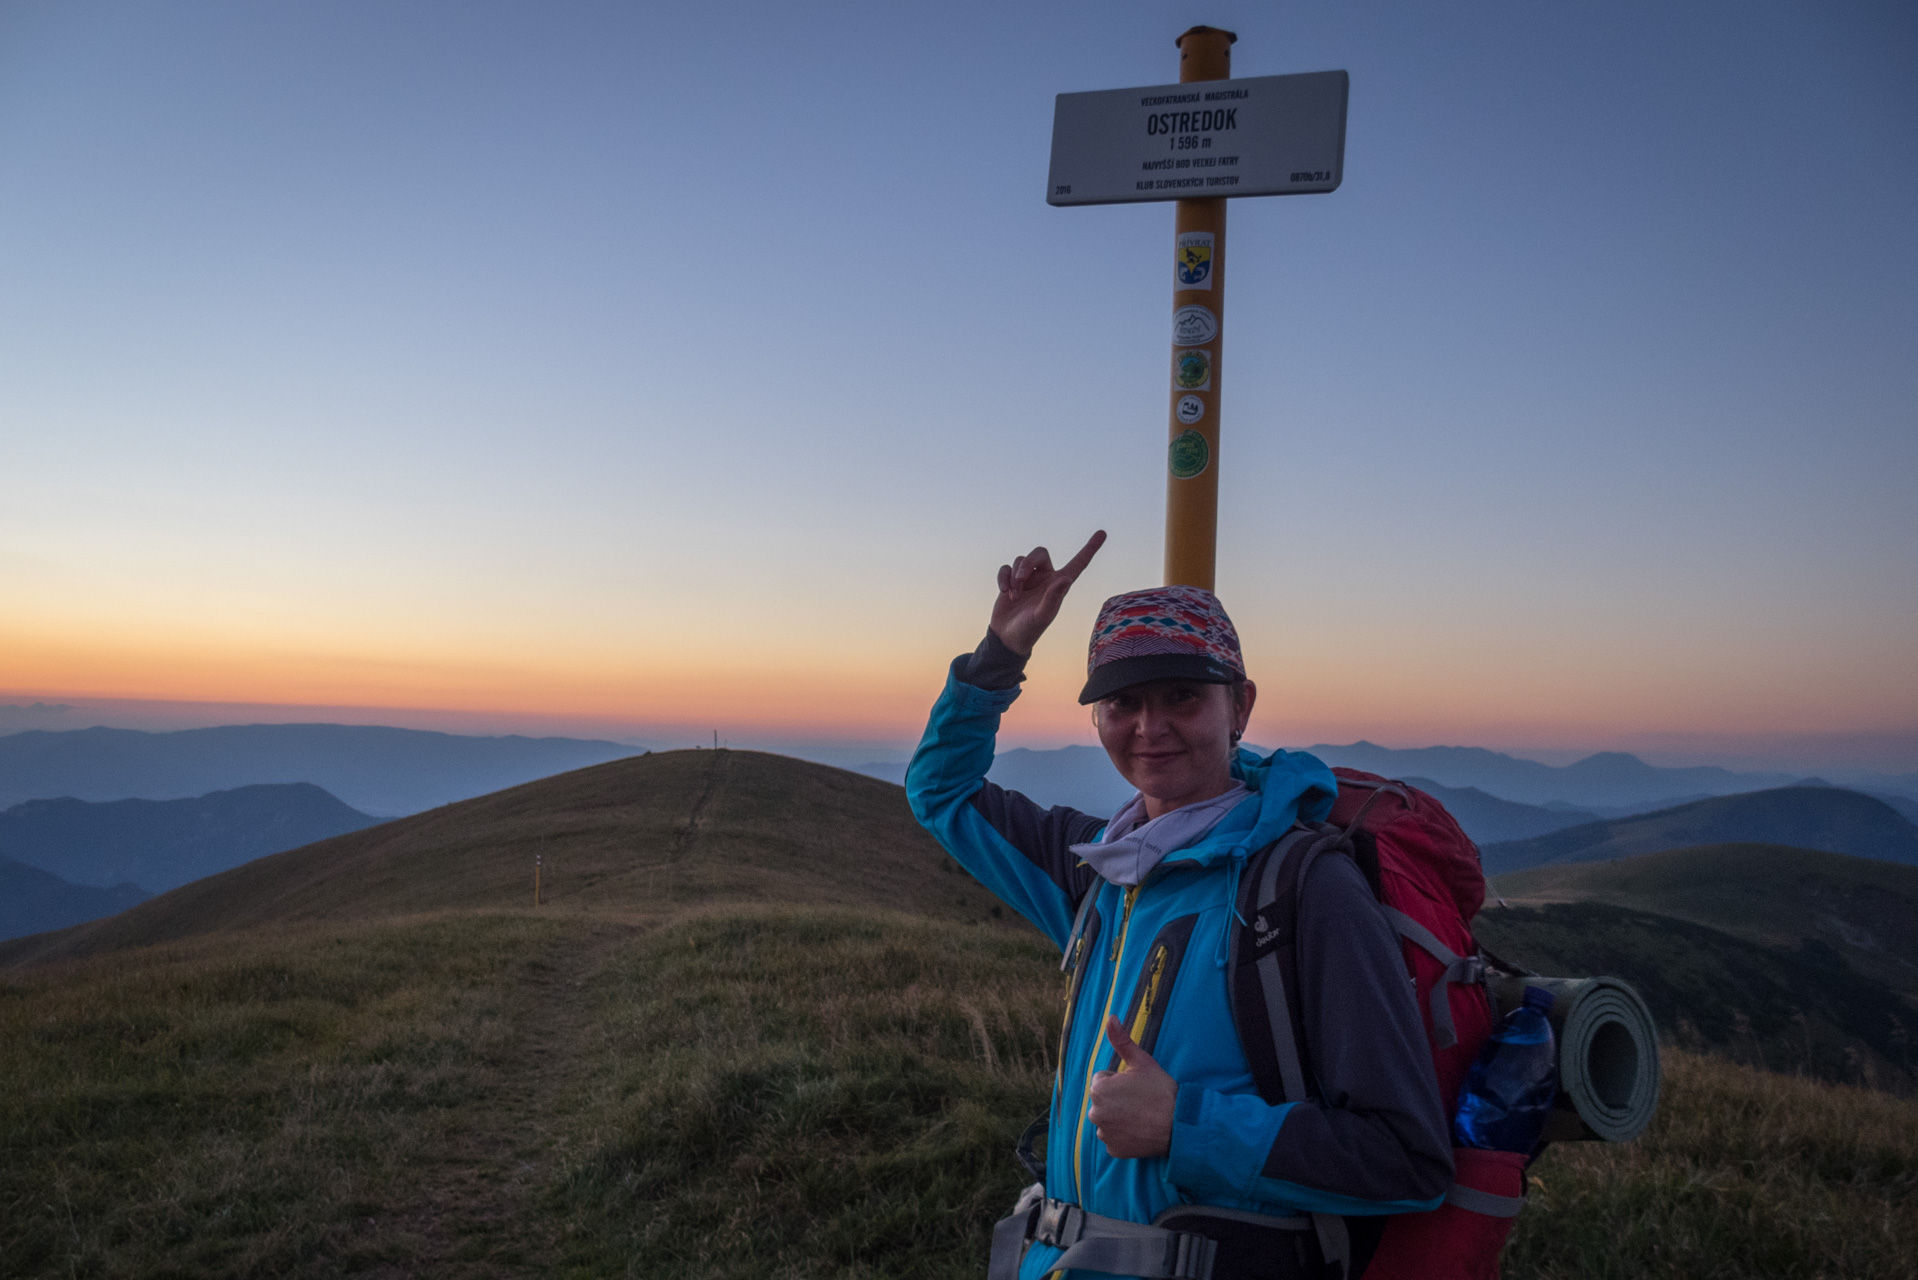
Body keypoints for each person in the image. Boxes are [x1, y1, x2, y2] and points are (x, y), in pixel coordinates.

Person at [905, 532, 1452, 1280]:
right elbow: (941, 793)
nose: (1148, 728)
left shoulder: (1303, 891)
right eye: (1122, 703)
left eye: (1183, 697)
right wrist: (1001, 651)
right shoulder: (1098, 873)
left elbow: (1405, 1158)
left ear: (1241, 707)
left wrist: (1185, 1128)